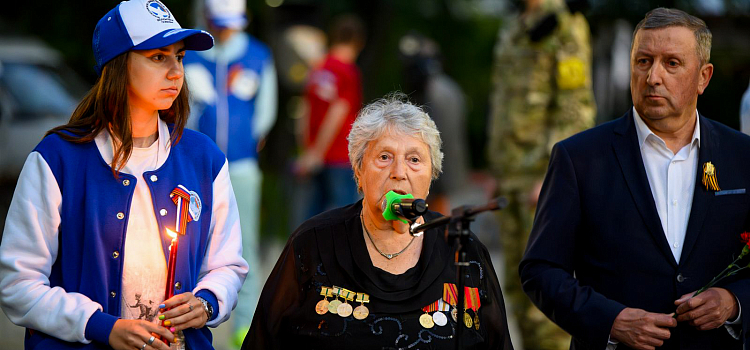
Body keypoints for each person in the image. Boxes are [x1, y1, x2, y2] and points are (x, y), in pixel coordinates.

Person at [0, 1, 248, 349]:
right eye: (158, 57)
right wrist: (101, 326)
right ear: (118, 65)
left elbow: (228, 264)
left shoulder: (203, 158)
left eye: (179, 57)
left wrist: (207, 301)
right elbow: (17, 284)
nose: (176, 72)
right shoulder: (57, 160)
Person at [520, 7, 750, 350]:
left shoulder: (742, 155)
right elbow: (541, 270)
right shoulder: (580, 157)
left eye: (672, 63)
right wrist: (609, 320)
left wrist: (735, 301)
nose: (653, 77)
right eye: (643, 61)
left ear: (704, 77)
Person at [243, 94, 514, 349]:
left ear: (432, 176)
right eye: (384, 157)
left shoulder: (462, 248)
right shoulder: (314, 243)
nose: (399, 172)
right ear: (359, 171)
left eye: (414, 159)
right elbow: (263, 341)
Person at [487, 0, 596, 347]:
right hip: (511, 176)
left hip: (540, 179)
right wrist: (498, 170)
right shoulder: (515, 25)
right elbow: (503, 102)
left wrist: (554, 175)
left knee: (547, 292)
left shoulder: (564, 24)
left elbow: (575, 106)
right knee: (514, 290)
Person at [182, 0, 277, 343]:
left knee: (245, 244)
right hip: (195, 168)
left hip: (241, 165)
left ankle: (246, 326)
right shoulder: (190, 54)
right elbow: (183, 112)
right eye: (219, 22)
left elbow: (267, 110)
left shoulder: (257, 54)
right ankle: (188, 317)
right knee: (190, 241)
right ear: (206, 17)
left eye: (231, 22)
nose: (226, 29)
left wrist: (249, 141)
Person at [293, 15, 365, 224]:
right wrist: (319, 151)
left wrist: (307, 151)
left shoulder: (318, 69)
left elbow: (304, 111)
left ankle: (305, 256)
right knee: (344, 217)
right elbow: (338, 113)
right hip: (339, 155)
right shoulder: (348, 72)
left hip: (315, 154)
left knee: (313, 216)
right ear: (358, 42)